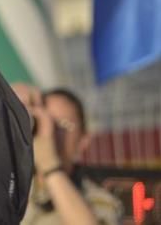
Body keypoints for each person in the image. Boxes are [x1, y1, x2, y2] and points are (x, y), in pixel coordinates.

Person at [14, 85, 122, 225]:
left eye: (63, 125)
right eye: (46, 121)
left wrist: (50, 167)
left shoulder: (101, 203)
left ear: (83, 140)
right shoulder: (12, 183)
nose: (51, 132)